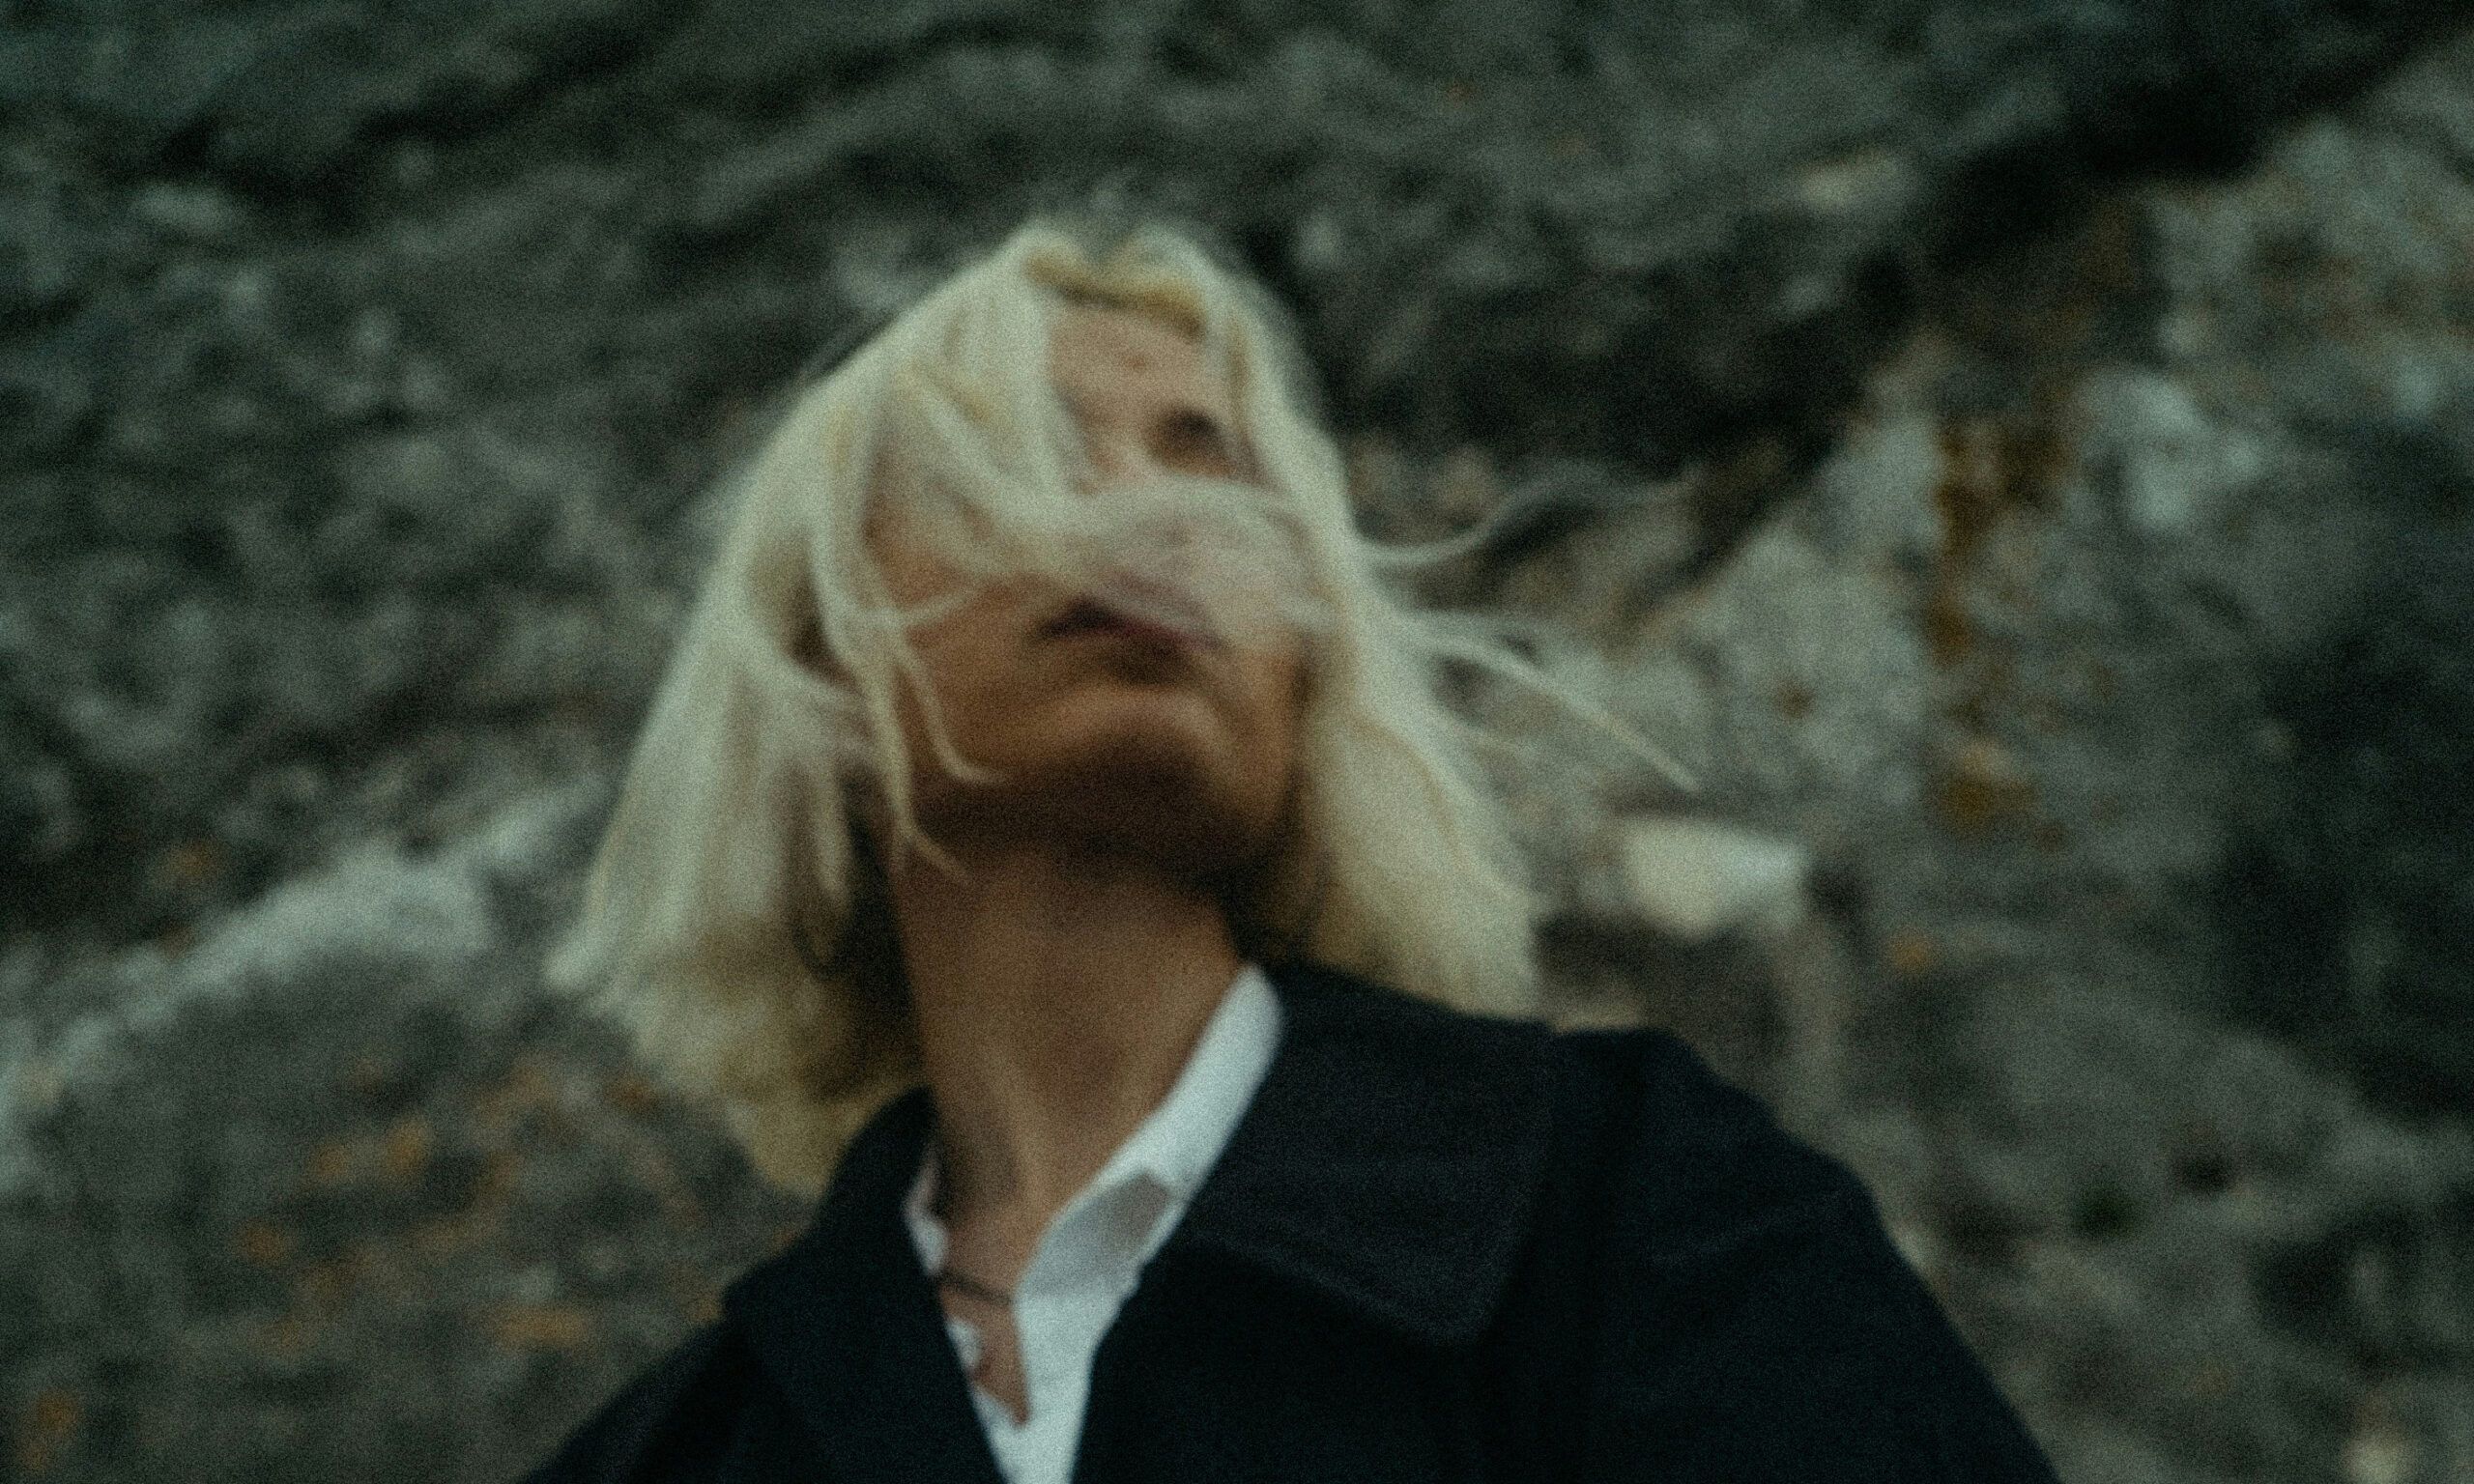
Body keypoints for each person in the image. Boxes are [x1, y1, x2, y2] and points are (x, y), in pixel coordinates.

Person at [522, 196, 2062, 1483]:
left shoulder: (1638, 1207)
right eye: (1033, 456)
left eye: (1216, 468)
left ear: (1307, 683)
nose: (1150, 514)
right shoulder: (670, 1457)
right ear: (822, 664)